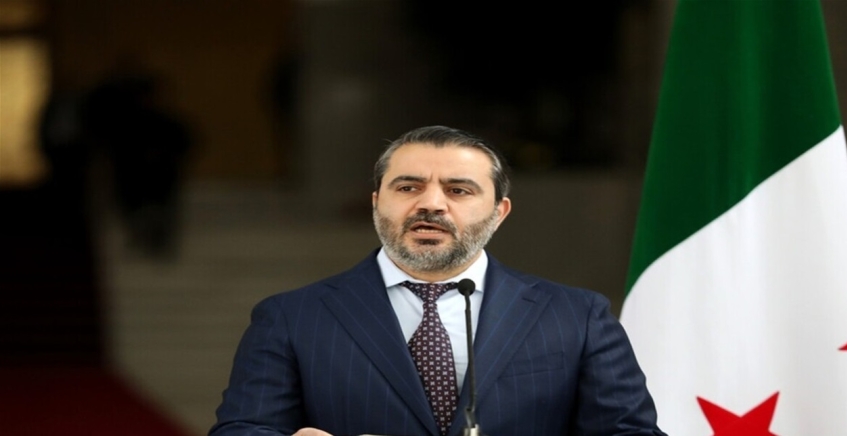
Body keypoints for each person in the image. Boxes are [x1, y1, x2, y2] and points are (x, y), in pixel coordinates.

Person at [210, 126, 666, 436]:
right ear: (376, 202)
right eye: (408, 187)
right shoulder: (291, 317)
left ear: (499, 212)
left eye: (458, 190)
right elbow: (244, 428)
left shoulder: (577, 316)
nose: (431, 204)